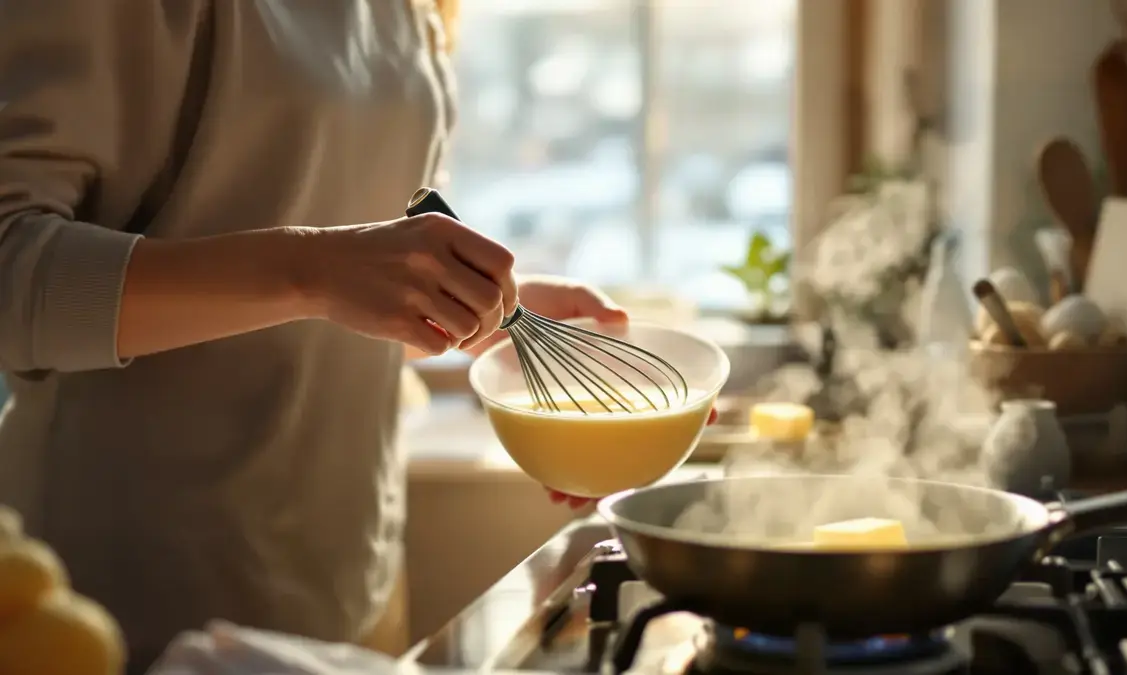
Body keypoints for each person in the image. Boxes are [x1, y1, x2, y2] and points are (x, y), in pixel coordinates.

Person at [0, 1, 666, 671]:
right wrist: (314, 268)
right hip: (144, 596)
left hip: (354, 578)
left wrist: (480, 315)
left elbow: (348, 283)